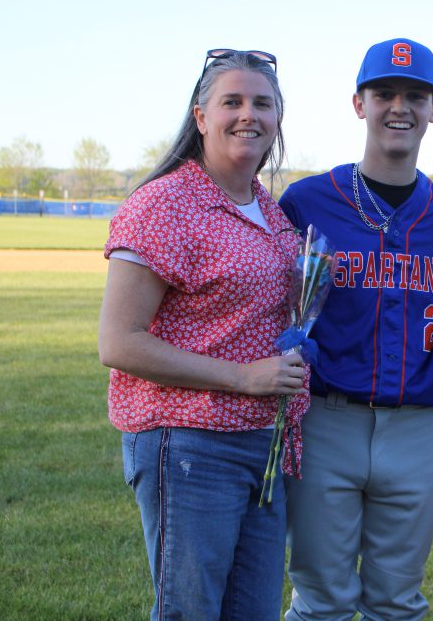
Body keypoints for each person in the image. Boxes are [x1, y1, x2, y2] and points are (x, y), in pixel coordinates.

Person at [98, 49, 308, 620]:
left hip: (262, 444)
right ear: (199, 116)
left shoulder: (269, 209)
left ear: (278, 118)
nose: (249, 115)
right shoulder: (166, 203)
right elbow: (119, 341)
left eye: (263, 103)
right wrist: (244, 376)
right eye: (232, 101)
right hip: (191, 443)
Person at [279, 38, 433, 620]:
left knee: (398, 604)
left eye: (415, 95)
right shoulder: (307, 201)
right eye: (384, 93)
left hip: (412, 431)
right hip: (328, 420)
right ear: (359, 103)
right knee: (322, 601)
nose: (398, 107)